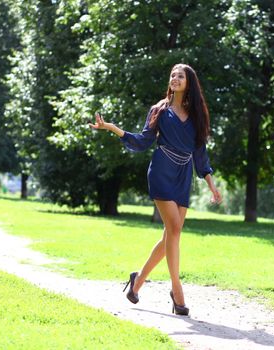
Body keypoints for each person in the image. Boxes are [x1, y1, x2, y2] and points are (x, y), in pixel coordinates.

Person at [89, 63, 222, 316]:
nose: (175, 78)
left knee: (170, 236)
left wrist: (212, 186)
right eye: (172, 75)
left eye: (180, 76)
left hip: (184, 175)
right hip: (161, 170)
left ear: (189, 82)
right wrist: (113, 129)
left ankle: (137, 281)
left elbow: (200, 154)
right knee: (174, 229)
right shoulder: (159, 109)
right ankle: (177, 289)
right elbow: (142, 141)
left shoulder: (197, 115)